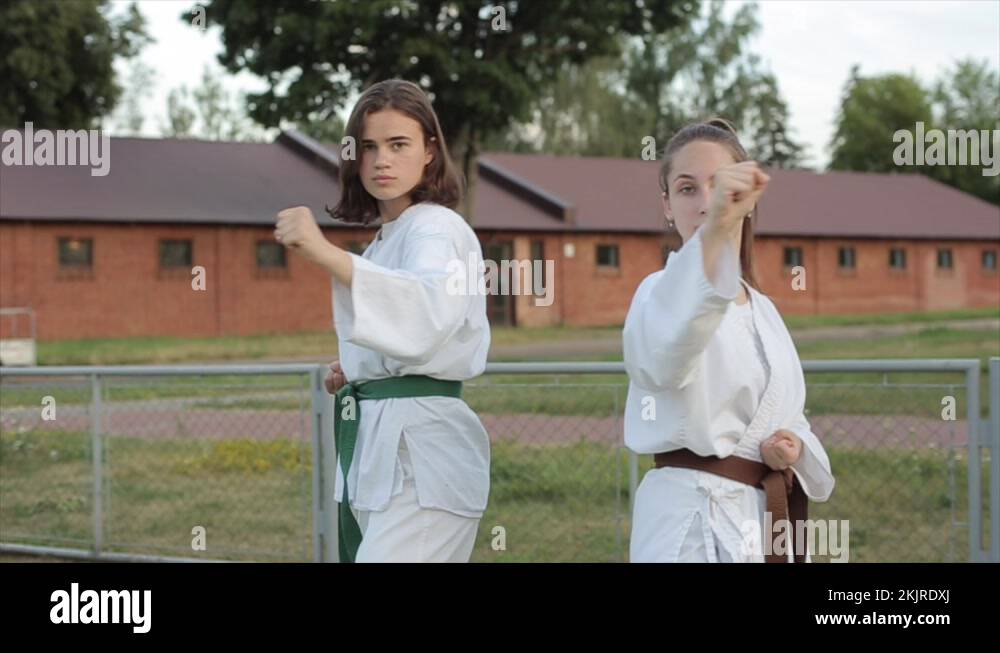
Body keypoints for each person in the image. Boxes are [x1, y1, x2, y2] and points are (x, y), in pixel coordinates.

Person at [273, 79, 490, 562]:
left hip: (424, 457)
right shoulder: (387, 239)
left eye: (398, 144)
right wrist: (360, 365)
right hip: (383, 449)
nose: (381, 160)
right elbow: (404, 329)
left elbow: (427, 312)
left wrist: (323, 252)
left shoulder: (436, 227)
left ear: (430, 151)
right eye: (368, 147)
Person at [623, 117, 835, 563]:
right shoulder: (659, 294)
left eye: (720, 188)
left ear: (748, 201)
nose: (706, 204)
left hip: (758, 521)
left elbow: (791, 415)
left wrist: (792, 447)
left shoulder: (766, 312)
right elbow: (660, 363)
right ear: (666, 204)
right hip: (688, 524)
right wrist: (718, 230)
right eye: (687, 189)